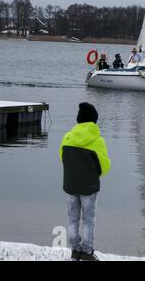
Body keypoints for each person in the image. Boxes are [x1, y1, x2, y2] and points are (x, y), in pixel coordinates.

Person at [59, 102, 111, 261]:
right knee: (88, 220)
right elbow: (104, 167)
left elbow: (63, 158)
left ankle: (75, 250)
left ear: (79, 120)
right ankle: (87, 252)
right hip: (89, 188)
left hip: (71, 185)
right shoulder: (98, 141)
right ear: (94, 121)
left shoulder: (67, 138)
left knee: (72, 219)